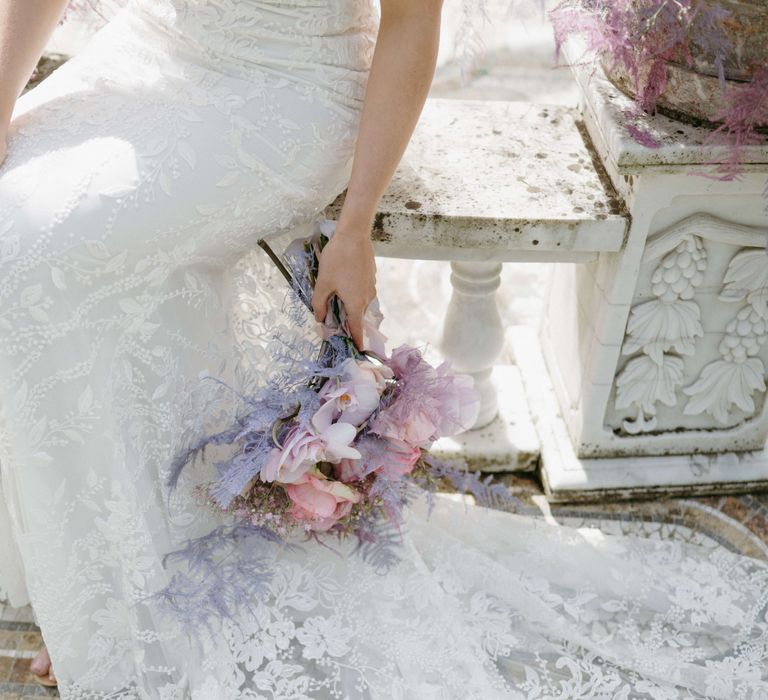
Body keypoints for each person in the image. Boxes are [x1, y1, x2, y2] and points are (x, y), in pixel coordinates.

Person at [1, 1, 767, 698]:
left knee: (45, 260)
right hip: (155, 52)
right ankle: (97, 587)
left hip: (286, 85)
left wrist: (357, 226)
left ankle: (125, 603)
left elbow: (410, 22)